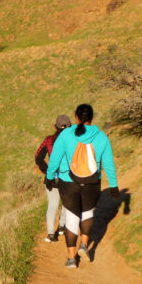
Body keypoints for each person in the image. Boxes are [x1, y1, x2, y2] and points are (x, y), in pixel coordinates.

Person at [46, 104, 120, 268]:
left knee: (72, 217)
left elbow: (55, 159)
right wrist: (113, 186)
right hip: (92, 183)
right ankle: (84, 245)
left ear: (77, 118)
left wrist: (49, 177)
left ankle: (71, 259)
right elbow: (108, 164)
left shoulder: (65, 134)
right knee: (87, 213)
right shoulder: (101, 137)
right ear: (92, 118)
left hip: (68, 182)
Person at [35, 115, 71, 242]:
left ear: (55, 126)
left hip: (52, 178)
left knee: (52, 205)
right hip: (68, 178)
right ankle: (62, 227)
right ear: (70, 126)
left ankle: (51, 233)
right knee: (67, 204)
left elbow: (38, 157)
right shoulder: (74, 140)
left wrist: (47, 170)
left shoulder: (49, 140)